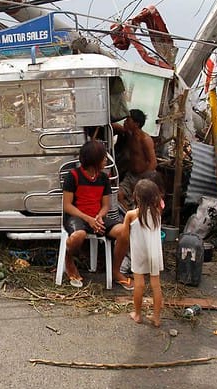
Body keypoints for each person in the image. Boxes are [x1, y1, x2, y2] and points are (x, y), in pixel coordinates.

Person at [61, 140, 117, 288]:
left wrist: (99, 216)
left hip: (97, 217)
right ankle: (69, 259)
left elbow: (106, 205)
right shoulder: (73, 176)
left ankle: (116, 270)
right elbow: (67, 206)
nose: (106, 160)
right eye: (103, 157)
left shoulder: (103, 178)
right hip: (77, 217)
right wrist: (88, 219)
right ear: (95, 160)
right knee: (78, 235)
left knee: (124, 231)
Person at [125, 178, 165, 327]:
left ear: (136, 197)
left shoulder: (131, 215)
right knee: (156, 285)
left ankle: (137, 314)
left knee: (139, 285)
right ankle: (156, 317)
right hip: (155, 253)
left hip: (139, 253)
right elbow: (160, 204)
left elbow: (124, 233)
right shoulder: (157, 213)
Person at [112, 109, 158, 210]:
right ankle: (128, 214)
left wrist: (143, 180)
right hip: (130, 175)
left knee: (140, 201)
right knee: (117, 194)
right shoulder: (129, 134)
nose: (125, 122)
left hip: (143, 176)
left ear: (136, 124)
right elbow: (114, 126)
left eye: (128, 120)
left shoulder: (145, 140)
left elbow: (153, 162)